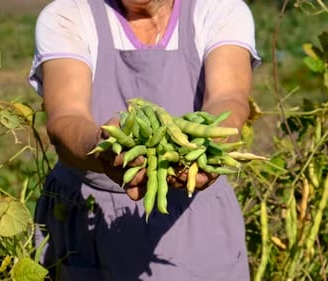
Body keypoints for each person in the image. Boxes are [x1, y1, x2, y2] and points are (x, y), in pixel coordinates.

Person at [28, 0, 260, 280]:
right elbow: (65, 117)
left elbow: (229, 99)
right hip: (90, 216)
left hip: (196, 218)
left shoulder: (219, 9)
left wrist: (206, 149)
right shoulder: (68, 14)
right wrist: (104, 145)